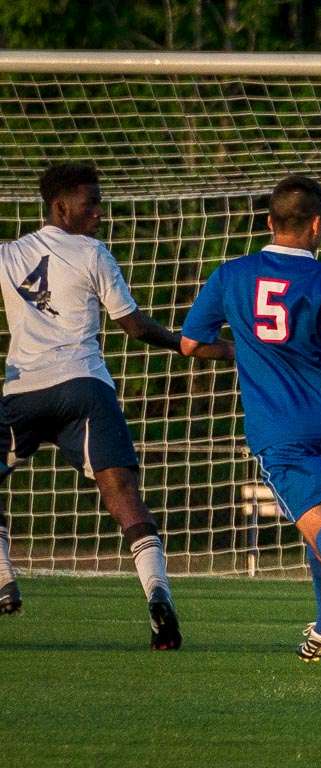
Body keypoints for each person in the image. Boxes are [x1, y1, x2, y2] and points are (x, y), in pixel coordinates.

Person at [0, 163, 234, 649]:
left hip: (21, 393)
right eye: (91, 202)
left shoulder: (8, 255)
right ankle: (157, 594)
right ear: (60, 206)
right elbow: (136, 328)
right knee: (123, 494)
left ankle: (3, 577)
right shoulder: (93, 253)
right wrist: (192, 346)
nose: (99, 212)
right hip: (84, 387)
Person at [181, 175, 321, 662]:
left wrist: (241, 350)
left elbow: (191, 344)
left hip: (279, 430)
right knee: (320, 523)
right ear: (317, 225)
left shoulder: (232, 274)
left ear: (269, 222)